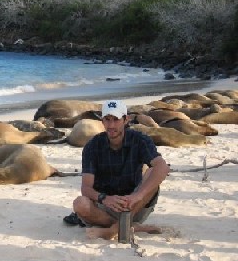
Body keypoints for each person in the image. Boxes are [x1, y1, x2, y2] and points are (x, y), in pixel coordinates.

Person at [70, 99, 170, 240]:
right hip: (104, 208)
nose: (111, 125)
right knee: (79, 204)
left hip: (134, 205)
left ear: (126, 120)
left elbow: (162, 167)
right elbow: (86, 188)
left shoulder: (140, 140)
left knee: (153, 171)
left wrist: (138, 196)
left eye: (116, 120)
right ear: (102, 121)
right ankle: (129, 226)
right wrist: (104, 199)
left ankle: (112, 231)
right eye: (107, 119)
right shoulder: (92, 146)